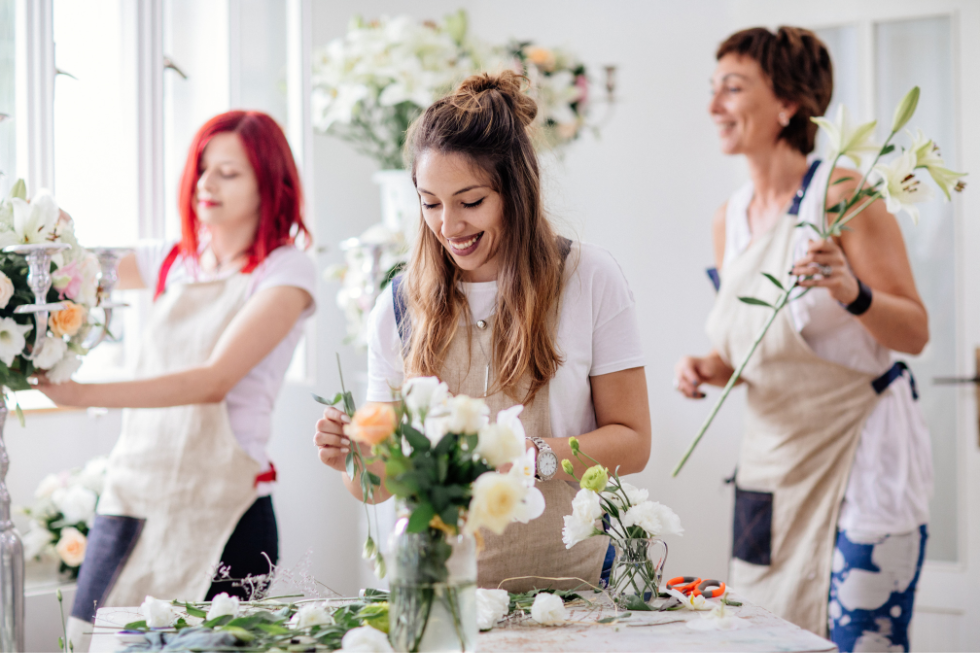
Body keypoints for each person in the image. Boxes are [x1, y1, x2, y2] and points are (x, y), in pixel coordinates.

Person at [314, 70, 650, 592]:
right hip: (440, 595)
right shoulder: (399, 305)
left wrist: (531, 456)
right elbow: (377, 485)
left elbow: (633, 442)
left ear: (517, 190)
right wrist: (351, 459)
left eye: (470, 202)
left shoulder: (589, 280)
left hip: (572, 592)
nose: (449, 226)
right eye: (430, 203)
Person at [674, 27, 932, 651]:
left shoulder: (841, 194)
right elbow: (756, 341)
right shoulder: (727, 220)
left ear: (788, 103)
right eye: (712, 89)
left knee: (863, 644)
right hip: (770, 471)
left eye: (732, 89)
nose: (713, 106)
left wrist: (854, 293)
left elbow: (915, 331)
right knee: (764, 640)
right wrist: (711, 366)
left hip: (859, 468)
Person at [38, 110, 316, 645]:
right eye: (203, 168)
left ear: (270, 183)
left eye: (229, 173)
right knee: (91, 642)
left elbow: (212, 380)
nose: (207, 184)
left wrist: (79, 393)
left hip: (227, 511)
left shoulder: (285, 271)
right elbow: (67, 270)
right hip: (132, 499)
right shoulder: (170, 260)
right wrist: (47, 228)